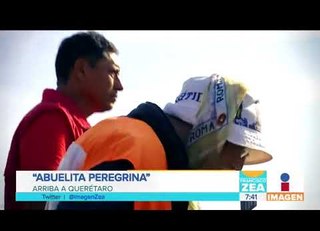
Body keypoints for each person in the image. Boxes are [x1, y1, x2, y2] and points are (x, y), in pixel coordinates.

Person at [46, 73, 272, 210]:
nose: (239, 166)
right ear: (213, 127)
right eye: (239, 149)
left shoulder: (162, 163)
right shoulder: (134, 151)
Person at [4, 31, 123, 210]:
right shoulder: (51, 119)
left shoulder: (72, 124)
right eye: (113, 73)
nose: (120, 86)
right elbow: (44, 201)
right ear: (81, 69)